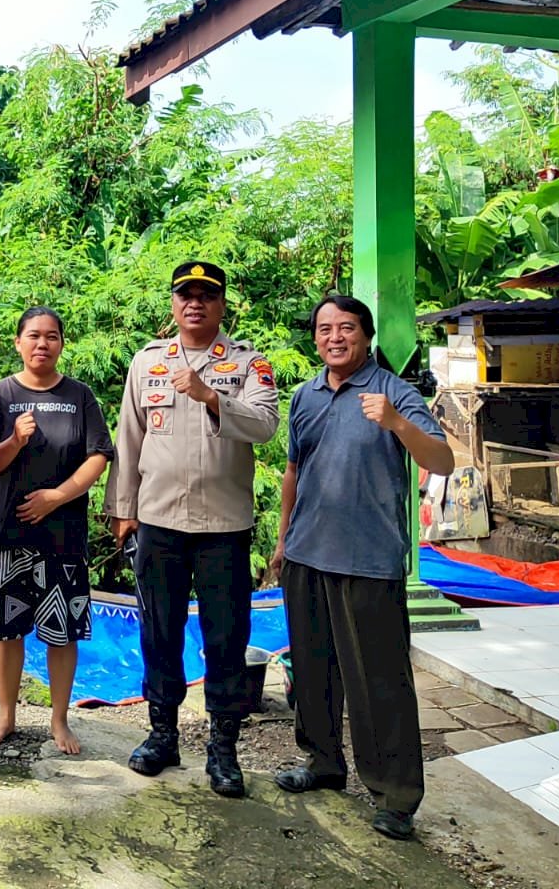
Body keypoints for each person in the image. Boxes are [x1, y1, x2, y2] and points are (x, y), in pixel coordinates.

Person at [271, 295, 454, 842]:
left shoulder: (396, 393)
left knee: (380, 684)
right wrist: (282, 542)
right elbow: (292, 472)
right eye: (324, 329)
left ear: (366, 335)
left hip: (368, 561)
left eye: (345, 328)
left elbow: (441, 461)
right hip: (306, 555)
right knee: (312, 670)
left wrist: (397, 423)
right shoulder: (305, 396)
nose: (333, 337)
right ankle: (323, 762)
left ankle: (395, 796)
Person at [107, 260, 278, 796]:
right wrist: (122, 507)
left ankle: (223, 746)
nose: (195, 304)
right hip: (158, 521)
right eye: (186, 295)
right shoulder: (148, 362)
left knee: (226, 638)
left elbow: (266, 425)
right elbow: (129, 437)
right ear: (174, 304)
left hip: (224, 526)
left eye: (206, 295)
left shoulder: (249, 364)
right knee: (158, 630)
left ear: (222, 304)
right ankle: (163, 735)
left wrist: (211, 396)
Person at [0, 306, 112, 756]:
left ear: (61, 344)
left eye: (52, 336)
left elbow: (98, 455)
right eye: (33, 336)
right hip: (8, 534)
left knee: (63, 632)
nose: (42, 344)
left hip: (64, 534)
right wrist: (14, 440)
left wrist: (58, 496)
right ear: (18, 342)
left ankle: (59, 719)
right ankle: (7, 715)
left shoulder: (79, 396)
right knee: (6, 630)